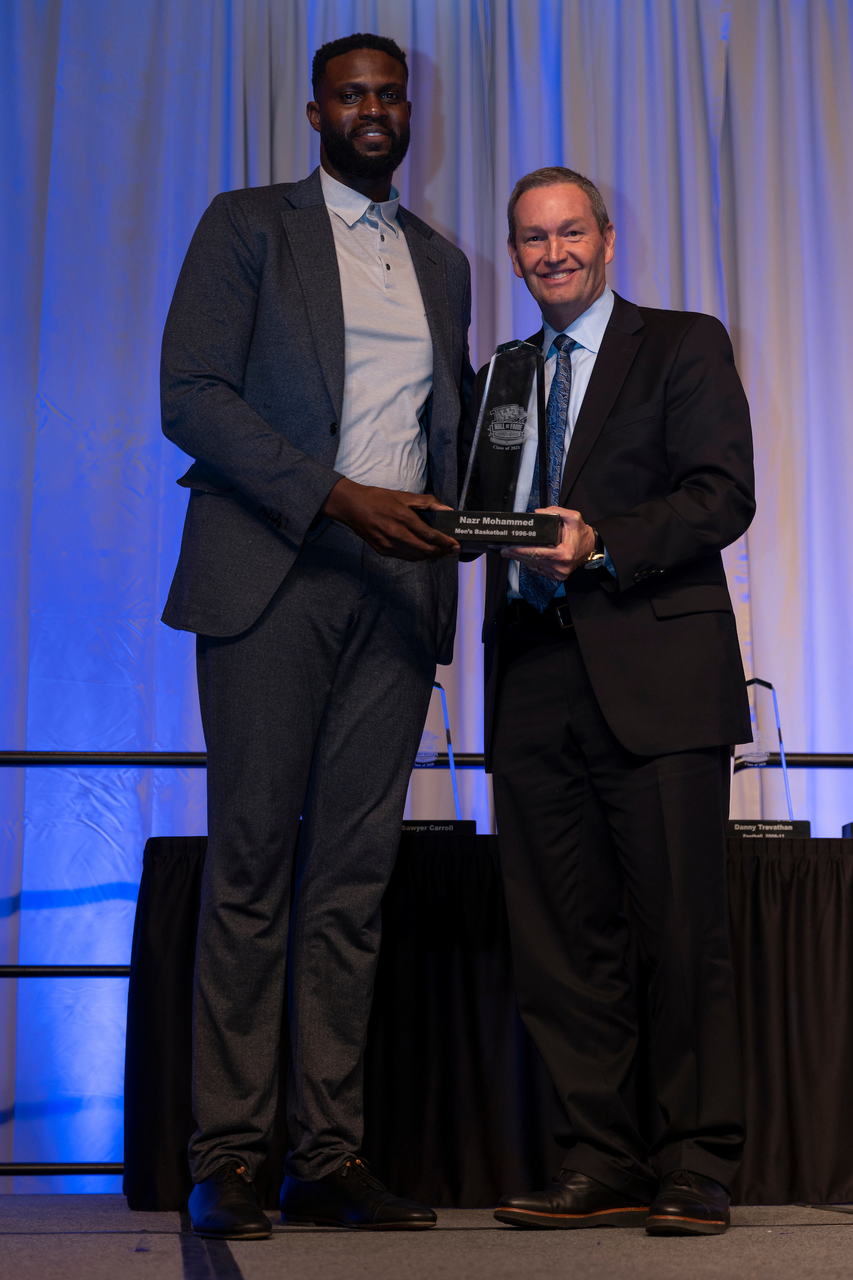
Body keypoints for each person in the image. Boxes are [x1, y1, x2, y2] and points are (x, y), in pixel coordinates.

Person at [160, 33, 473, 1239]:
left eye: (391, 94)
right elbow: (191, 395)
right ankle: (230, 1153)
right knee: (248, 866)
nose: (374, 110)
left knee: (351, 883)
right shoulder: (248, 224)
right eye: (353, 94)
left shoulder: (440, 261)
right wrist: (340, 496)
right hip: (271, 576)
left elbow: (442, 429)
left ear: (410, 109)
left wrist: (476, 521)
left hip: (396, 594)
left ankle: (325, 1155)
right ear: (314, 111)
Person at [465, 167, 754, 1236]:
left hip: (656, 677)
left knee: (681, 929)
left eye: (570, 231)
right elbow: (485, 517)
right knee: (557, 936)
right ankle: (601, 1156)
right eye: (532, 239)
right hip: (534, 675)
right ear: (513, 255)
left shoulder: (681, 343)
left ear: (608, 238)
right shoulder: (499, 375)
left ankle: (694, 1158)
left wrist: (603, 541)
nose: (553, 253)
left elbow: (721, 492)